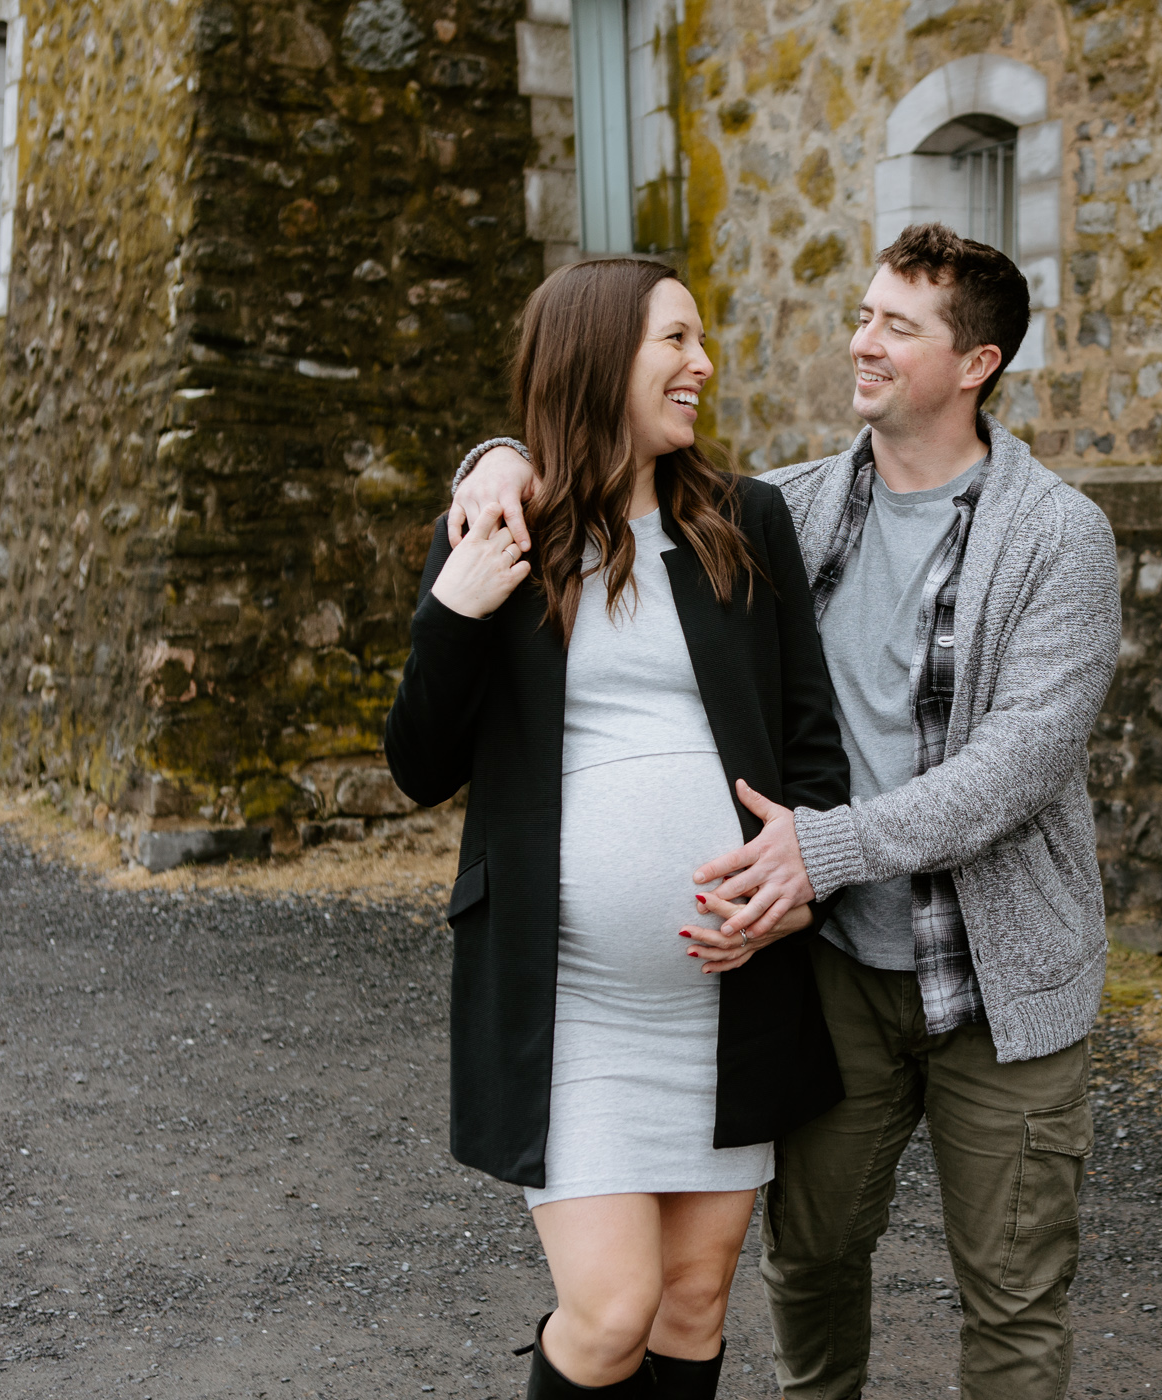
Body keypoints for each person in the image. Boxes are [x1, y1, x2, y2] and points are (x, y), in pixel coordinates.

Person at [451, 224, 1122, 1400]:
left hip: (1002, 980)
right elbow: (614, 467)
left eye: (895, 326)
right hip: (840, 971)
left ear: (977, 364)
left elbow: (1022, 763)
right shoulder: (790, 515)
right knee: (808, 1264)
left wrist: (823, 846)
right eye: (861, 315)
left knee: (1013, 1298)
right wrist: (496, 455)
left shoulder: (1059, 533)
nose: (859, 342)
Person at [385, 258, 850, 1400]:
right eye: (675, 341)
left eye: (699, 341)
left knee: (693, 1305)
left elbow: (812, 751)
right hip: (574, 1003)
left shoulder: (749, 522)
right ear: (600, 357)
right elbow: (416, 764)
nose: (702, 365)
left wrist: (796, 888)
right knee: (610, 1312)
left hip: (727, 997)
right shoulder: (505, 527)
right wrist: (456, 609)